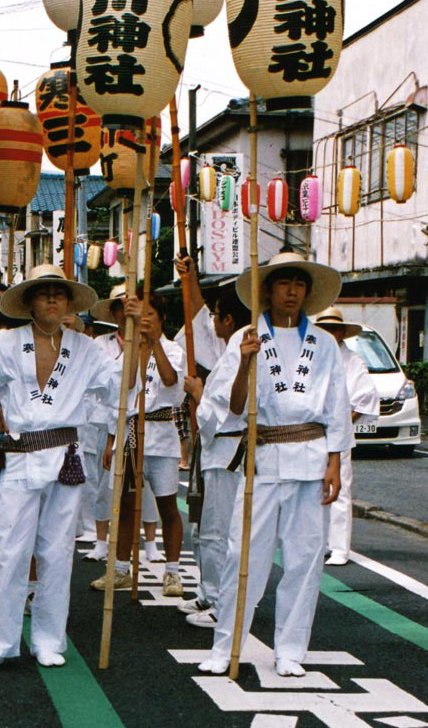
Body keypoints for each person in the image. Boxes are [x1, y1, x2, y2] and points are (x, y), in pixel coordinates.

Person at [0, 264, 142, 674]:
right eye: (44, 292)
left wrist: (136, 334)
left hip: (65, 456)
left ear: (69, 302)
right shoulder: (5, 343)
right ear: (29, 302)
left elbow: (124, 385)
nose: (53, 298)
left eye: (60, 293)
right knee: (9, 554)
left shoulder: (85, 347)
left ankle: (50, 640)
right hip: (19, 456)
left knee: (56, 553)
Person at [198, 251, 351, 677]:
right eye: (284, 284)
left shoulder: (322, 343)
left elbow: (336, 403)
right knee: (243, 555)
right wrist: (246, 360)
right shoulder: (245, 337)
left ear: (307, 293)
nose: (291, 292)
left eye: (299, 285)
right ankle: (225, 646)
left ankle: (290, 651)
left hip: (312, 453)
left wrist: (335, 462)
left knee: (304, 558)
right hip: (263, 458)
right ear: (267, 290)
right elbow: (234, 405)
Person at [172, 259, 251, 628]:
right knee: (203, 525)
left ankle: (222, 602)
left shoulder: (244, 342)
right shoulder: (230, 342)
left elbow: (228, 411)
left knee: (221, 529)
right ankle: (208, 591)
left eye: (219, 316)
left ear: (230, 320)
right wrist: (190, 281)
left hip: (229, 448)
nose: (213, 322)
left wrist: (199, 393)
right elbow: (200, 317)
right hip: (214, 449)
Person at [95, 294, 186, 597]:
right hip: (133, 433)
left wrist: (154, 343)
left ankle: (172, 574)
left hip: (161, 434)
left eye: (151, 314)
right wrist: (136, 343)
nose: (145, 319)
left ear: (161, 318)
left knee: (167, 506)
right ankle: (120, 569)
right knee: (126, 503)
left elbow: (171, 381)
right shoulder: (127, 351)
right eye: (139, 315)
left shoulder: (174, 349)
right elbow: (125, 387)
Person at [314, 308, 379, 567]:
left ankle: (340, 548)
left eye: (334, 328)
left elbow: (365, 397)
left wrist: (341, 423)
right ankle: (318, 544)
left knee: (340, 490)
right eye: (325, 328)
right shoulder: (310, 357)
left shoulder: (353, 361)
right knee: (312, 488)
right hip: (310, 433)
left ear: (342, 332)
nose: (330, 333)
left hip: (338, 435)